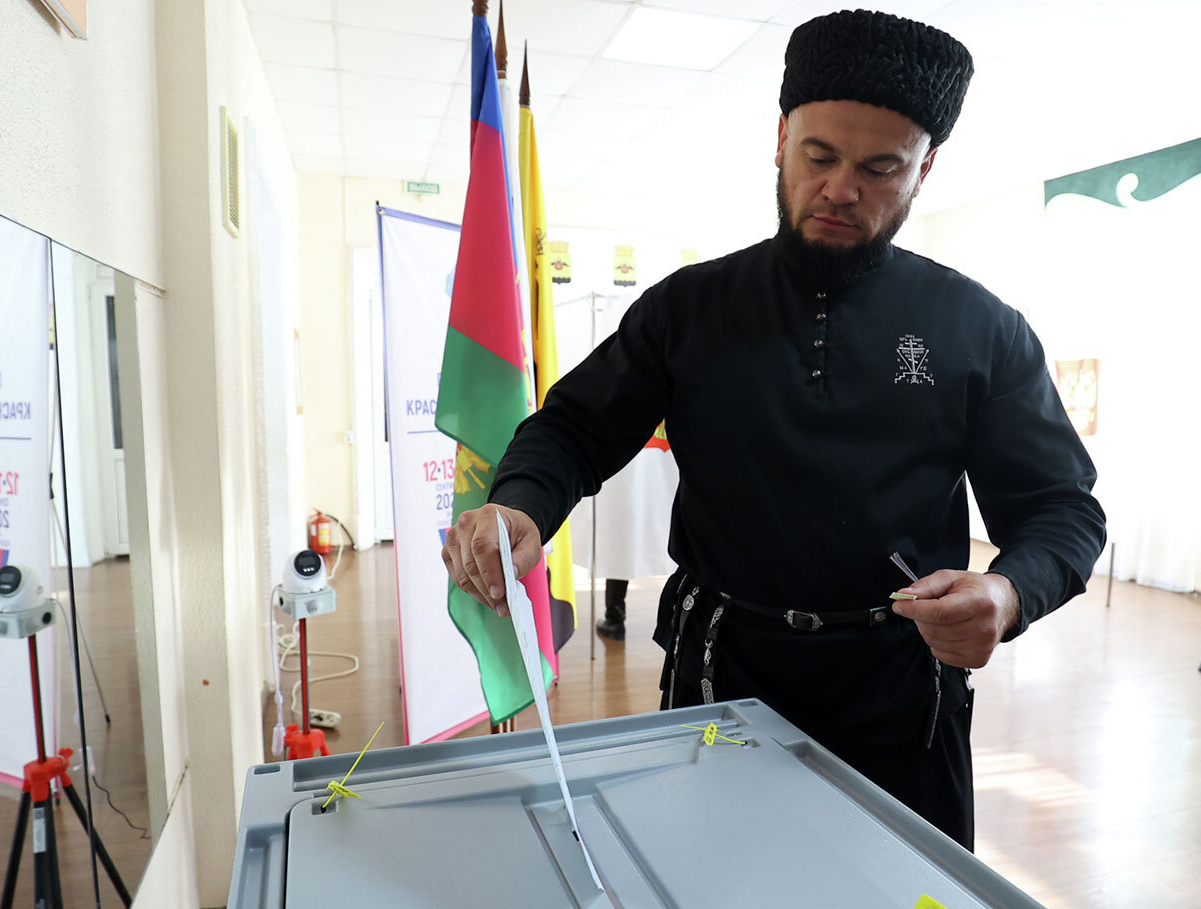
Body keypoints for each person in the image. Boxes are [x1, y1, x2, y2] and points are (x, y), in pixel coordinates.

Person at [439, 9, 1105, 852]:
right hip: (722, 671)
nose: (841, 189)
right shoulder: (690, 309)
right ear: (781, 139)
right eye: (820, 156)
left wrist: (1006, 595)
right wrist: (520, 506)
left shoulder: (980, 327)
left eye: (880, 168)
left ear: (925, 168)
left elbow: (1061, 510)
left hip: (900, 686)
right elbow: (573, 429)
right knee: (709, 895)